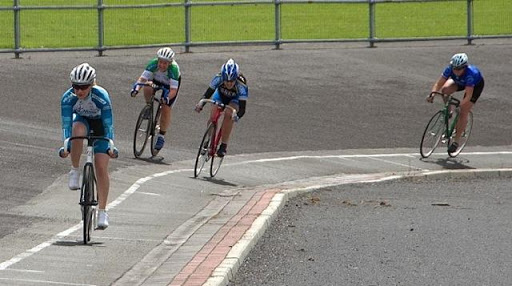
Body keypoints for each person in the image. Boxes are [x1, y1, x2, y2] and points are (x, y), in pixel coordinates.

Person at [59, 63, 118, 229]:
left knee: (100, 166)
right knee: (76, 130)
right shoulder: (67, 98)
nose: (79, 91)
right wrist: (66, 146)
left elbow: (108, 125)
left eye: (83, 87)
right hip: (82, 121)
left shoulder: (101, 96)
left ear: (91, 84)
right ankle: (75, 170)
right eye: (76, 86)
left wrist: (111, 146)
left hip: (100, 125)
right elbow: (66, 125)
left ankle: (103, 211)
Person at [427, 52, 484, 153]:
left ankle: (456, 141)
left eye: (459, 69)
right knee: (444, 90)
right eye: (454, 68)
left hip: (474, 87)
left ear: (465, 67)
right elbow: (439, 83)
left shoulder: (471, 74)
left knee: (463, 111)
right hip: (459, 82)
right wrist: (432, 94)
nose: (456, 71)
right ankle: (449, 111)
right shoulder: (449, 68)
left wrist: (460, 105)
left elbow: (468, 95)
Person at [130, 47, 181, 151]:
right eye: (160, 62)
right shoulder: (153, 64)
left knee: (166, 108)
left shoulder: (174, 70)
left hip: (169, 86)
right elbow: (142, 79)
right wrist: (136, 89)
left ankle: (161, 135)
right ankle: (149, 106)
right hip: (156, 80)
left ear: (170, 63)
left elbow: (173, 91)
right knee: (147, 85)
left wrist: (166, 99)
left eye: (165, 63)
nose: (162, 65)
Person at [195, 58, 248, 157]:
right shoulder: (218, 78)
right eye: (226, 81)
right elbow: (208, 93)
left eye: (231, 81)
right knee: (213, 115)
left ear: (235, 78)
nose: (228, 83)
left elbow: (242, 109)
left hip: (234, 99)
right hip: (220, 95)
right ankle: (208, 140)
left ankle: (223, 145)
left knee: (229, 114)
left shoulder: (241, 85)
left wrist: (236, 116)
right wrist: (200, 104)